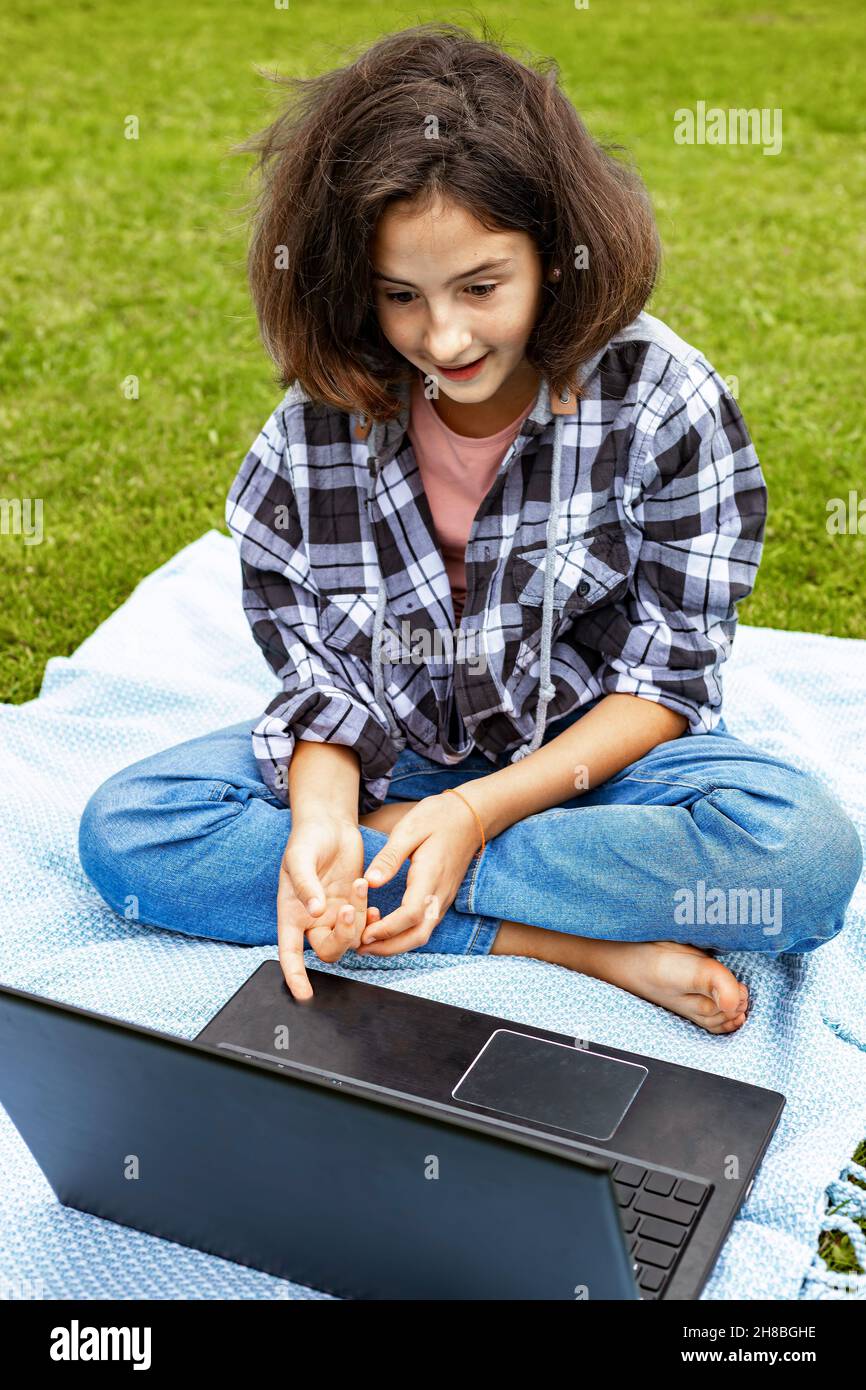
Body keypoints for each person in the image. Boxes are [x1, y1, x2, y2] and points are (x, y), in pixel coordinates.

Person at [79, 22, 863, 1032]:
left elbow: (667, 679)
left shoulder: (663, 400)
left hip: (589, 766)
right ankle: (561, 941)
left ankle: (408, 861)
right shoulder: (316, 428)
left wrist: (463, 816)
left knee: (800, 857)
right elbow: (322, 678)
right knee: (130, 831)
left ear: (557, 252)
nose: (440, 338)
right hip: (388, 754)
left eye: (479, 288)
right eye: (399, 296)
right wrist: (323, 816)